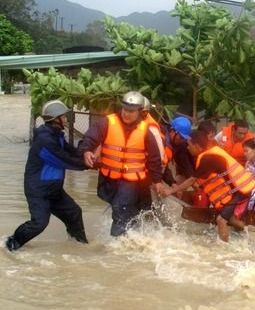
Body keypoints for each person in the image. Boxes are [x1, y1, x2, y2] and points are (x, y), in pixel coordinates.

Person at [5, 101, 91, 251]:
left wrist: (85, 153)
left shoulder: (56, 135)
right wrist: (88, 165)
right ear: (55, 119)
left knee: (74, 212)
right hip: (38, 191)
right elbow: (63, 160)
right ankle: (11, 245)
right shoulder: (45, 140)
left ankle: (79, 246)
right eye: (63, 117)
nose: (66, 119)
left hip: (54, 190)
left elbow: (71, 151)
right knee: (39, 223)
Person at [80, 91, 165, 236]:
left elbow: (155, 158)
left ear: (139, 111)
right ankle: (133, 239)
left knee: (120, 208)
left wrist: (157, 180)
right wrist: (86, 150)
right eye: (125, 109)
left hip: (130, 180)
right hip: (109, 179)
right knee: (123, 210)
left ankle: (115, 245)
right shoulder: (107, 122)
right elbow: (90, 138)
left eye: (131, 111)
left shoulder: (146, 130)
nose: (127, 114)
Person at [164, 130, 255, 242]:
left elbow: (192, 180)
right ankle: (254, 232)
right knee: (230, 218)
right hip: (239, 188)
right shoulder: (209, 154)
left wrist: (171, 190)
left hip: (239, 190)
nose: (187, 148)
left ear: (197, 146)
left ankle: (224, 249)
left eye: (189, 145)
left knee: (221, 220)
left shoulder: (207, 158)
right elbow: (200, 181)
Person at [163, 116, 195, 185]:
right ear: (172, 131)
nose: (182, 140)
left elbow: (184, 163)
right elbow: (161, 167)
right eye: (181, 137)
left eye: (184, 138)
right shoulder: (161, 141)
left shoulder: (179, 145)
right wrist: (172, 183)